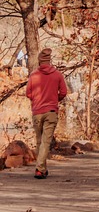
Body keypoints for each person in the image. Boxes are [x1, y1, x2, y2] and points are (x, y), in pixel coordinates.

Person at [26, 48, 67, 179]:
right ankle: (40, 169)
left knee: (39, 142)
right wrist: (55, 99)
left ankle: (41, 169)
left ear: (39, 61)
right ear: (49, 61)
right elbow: (64, 92)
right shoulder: (57, 75)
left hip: (37, 112)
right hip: (51, 111)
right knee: (45, 142)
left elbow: (28, 93)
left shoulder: (33, 75)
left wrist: (37, 100)